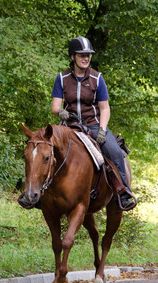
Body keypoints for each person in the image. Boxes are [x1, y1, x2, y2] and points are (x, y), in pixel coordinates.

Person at [51, 36, 135, 210]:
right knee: (42, 149)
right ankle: (38, 193)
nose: (86, 58)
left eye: (88, 55)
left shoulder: (97, 78)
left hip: (94, 124)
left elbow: (105, 108)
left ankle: (123, 193)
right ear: (72, 56)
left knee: (115, 152)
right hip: (69, 125)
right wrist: (61, 111)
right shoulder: (62, 77)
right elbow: (55, 106)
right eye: (82, 55)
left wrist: (102, 130)